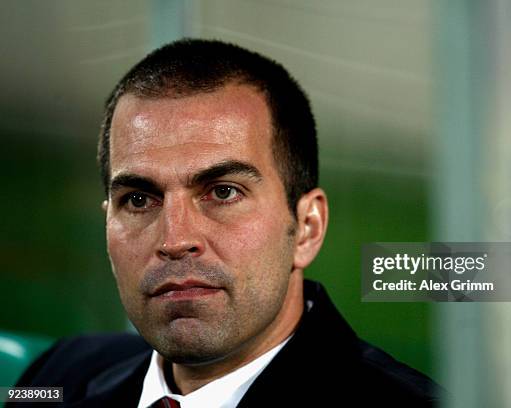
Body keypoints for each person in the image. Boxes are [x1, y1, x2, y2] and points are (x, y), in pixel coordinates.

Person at [10, 39, 441, 407]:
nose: (175, 239)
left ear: (307, 227)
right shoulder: (58, 378)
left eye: (222, 192)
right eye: (139, 199)